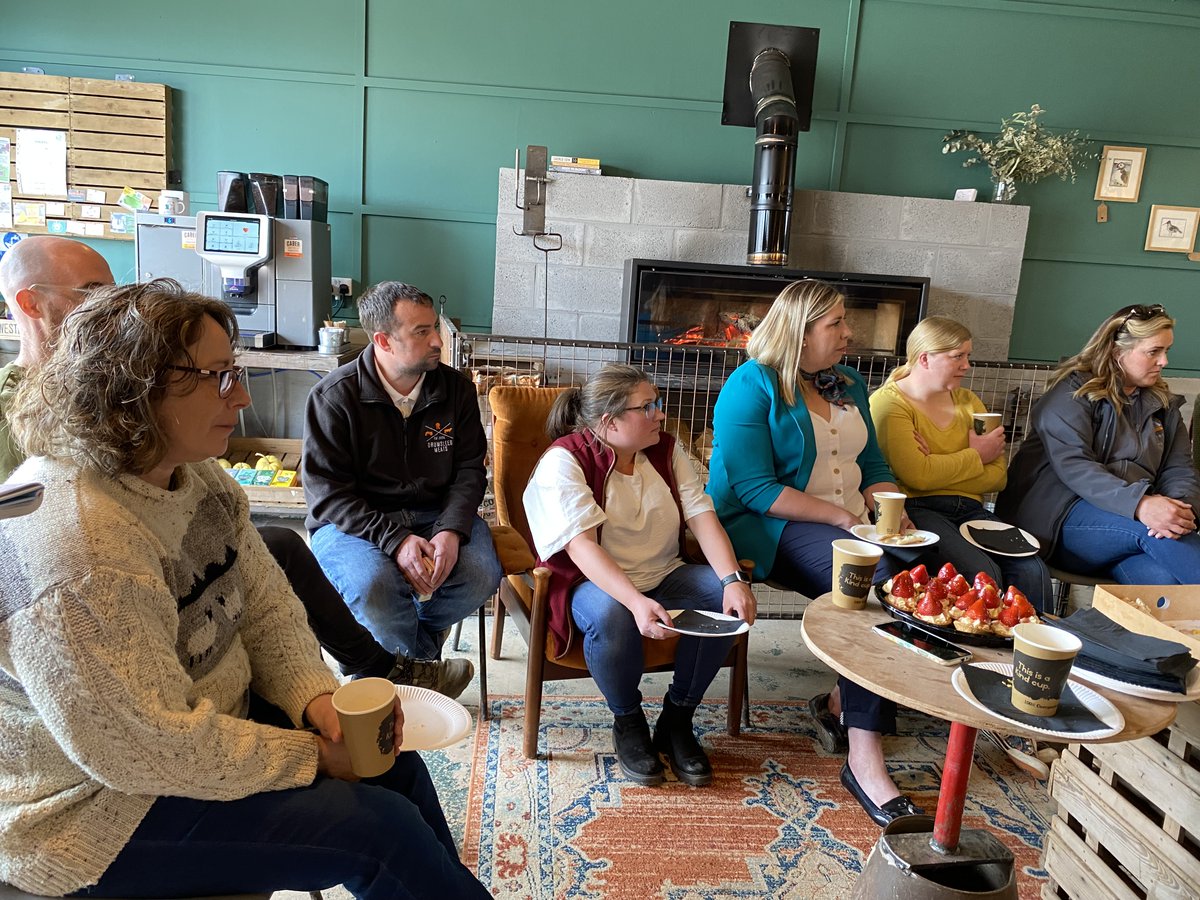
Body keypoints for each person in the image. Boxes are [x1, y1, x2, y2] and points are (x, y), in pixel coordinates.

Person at [0, 280, 489, 899]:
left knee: (395, 768)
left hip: (194, 726)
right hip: (91, 809)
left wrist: (318, 703)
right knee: (377, 831)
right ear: (134, 387)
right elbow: (143, 749)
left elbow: (265, 606)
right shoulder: (79, 547)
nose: (243, 395)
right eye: (220, 375)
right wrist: (312, 755)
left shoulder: (196, 474)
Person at [0, 236, 440, 695]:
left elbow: (272, 612)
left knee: (279, 551)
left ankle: (382, 667)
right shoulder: (81, 544)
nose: (112, 309)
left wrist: (314, 699)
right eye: (93, 293)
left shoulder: (205, 479)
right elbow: (156, 735)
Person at [707, 278, 926, 826]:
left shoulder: (846, 381)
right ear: (799, 333)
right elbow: (752, 487)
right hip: (767, 524)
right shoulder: (749, 386)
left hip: (847, 520)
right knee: (869, 588)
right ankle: (864, 760)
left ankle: (841, 705)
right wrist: (845, 519)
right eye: (836, 324)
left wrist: (892, 513)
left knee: (912, 575)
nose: (849, 334)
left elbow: (872, 465)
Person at [522, 364, 756, 786]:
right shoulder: (565, 460)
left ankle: (677, 719)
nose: (661, 415)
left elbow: (701, 515)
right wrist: (635, 602)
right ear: (608, 422)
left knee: (720, 602)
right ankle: (628, 721)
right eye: (648, 407)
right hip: (590, 583)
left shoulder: (665, 449)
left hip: (664, 573)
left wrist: (732, 579)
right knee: (611, 613)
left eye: (657, 404)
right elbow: (582, 548)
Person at [304, 281, 500, 698]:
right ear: (383, 341)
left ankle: (396, 664)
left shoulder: (456, 390)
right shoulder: (333, 398)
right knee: (374, 586)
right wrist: (395, 541)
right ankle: (419, 671)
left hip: (435, 515)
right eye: (422, 332)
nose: (437, 341)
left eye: (436, 328)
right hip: (356, 523)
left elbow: (469, 470)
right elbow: (329, 495)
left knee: (481, 574)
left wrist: (451, 529)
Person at [997, 304, 1200, 583]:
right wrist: (1141, 505)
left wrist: (1181, 511)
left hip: (1130, 528)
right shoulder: (1071, 394)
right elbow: (1076, 468)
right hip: (1057, 521)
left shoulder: (1164, 404)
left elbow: (1179, 469)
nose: (1163, 361)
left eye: (1166, 351)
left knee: (1163, 581)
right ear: (1118, 353)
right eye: (1154, 352)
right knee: (1151, 532)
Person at [869, 316, 1051, 611]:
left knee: (1033, 570)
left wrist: (937, 463)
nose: (967, 365)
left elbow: (996, 478)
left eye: (967, 356)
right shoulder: (890, 404)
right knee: (983, 574)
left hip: (972, 509)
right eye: (958, 357)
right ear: (925, 358)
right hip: (918, 510)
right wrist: (976, 455)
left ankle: (1034, 648)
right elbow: (918, 478)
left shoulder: (969, 402)